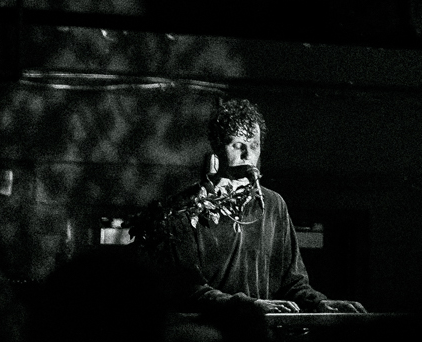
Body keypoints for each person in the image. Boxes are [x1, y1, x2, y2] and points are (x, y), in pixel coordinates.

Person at [136, 97, 362, 322]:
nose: (248, 155)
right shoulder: (187, 208)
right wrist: (247, 305)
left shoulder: (273, 204)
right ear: (216, 145)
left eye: (254, 146)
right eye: (237, 145)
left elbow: (292, 281)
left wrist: (318, 303)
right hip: (211, 335)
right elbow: (187, 288)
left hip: (259, 334)